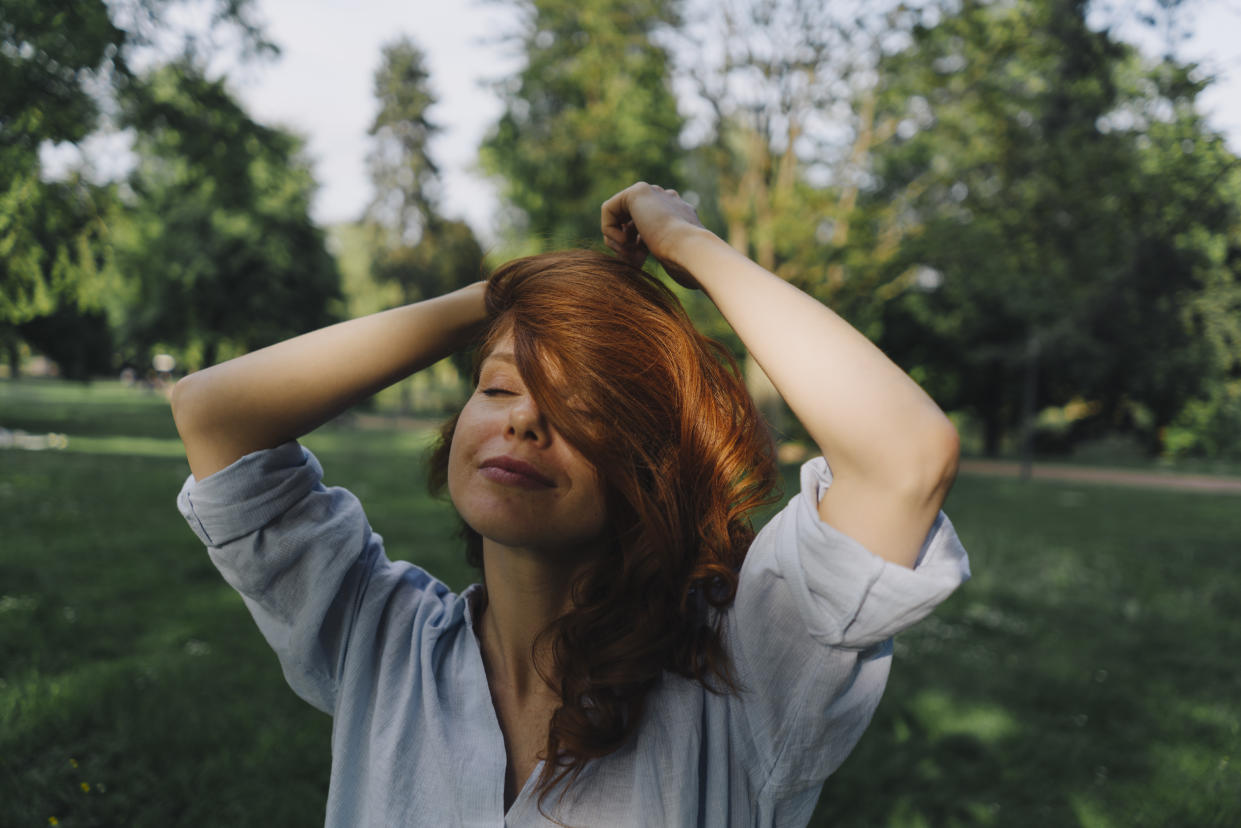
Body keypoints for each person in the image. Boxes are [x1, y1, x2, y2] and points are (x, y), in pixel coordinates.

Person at [172, 182, 970, 827]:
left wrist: (688, 245)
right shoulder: (379, 640)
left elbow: (902, 458)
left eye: (579, 403)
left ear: (652, 468)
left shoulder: (747, 671)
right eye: (498, 386)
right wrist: (516, 294)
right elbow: (215, 414)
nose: (522, 417)